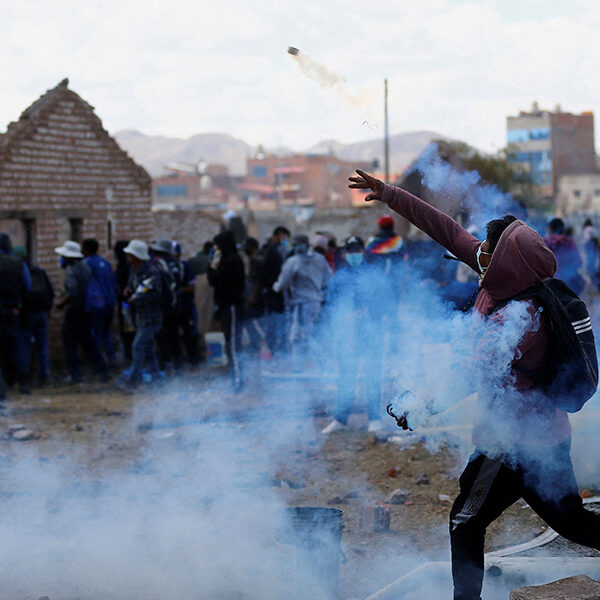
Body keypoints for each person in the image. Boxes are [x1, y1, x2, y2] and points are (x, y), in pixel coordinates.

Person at [349, 169, 600, 600]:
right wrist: (390, 194)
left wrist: (418, 403)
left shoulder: (519, 319)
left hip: (510, 448)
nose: (477, 250)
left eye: (487, 247)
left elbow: (470, 373)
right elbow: (446, 230)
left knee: (465, 522)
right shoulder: (506, 278)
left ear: (505, 261)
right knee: (573, 522)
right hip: (547, 440)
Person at [321, 236, 390, 434]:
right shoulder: (339, 277)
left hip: (371, 333)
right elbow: (331, 305)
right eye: (350, 251)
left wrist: (370, 313)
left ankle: (375, 418)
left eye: (356, 251)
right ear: (345, 254)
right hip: (348, 334)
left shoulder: (375, 275)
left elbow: (386, 300)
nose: (353, 255)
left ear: (363, 252)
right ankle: (340, 419)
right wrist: (341, 320)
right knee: (346, 376)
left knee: (373, 375)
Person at [273, 233, 332, 370]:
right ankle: (316, 365)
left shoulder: (293, 261)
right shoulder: (320, 259)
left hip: (301, 304)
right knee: (311, 334)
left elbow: (281, 284)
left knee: (298, 336)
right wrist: (321, 294)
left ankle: (306, 365)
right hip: (316, 302)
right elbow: (328, 279)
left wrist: (275, 286)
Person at [54, 240, 108, 383]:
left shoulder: (72, 270)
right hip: (87, 309)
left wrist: (61, 304)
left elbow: (72, 293)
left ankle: (75, 375)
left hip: (75, 311)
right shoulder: (85, 267)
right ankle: (102, 370)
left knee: (70, 343)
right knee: (88, 342)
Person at [207, 230, 245, 391]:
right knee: (230, 343)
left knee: (233, 345)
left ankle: (237, 380)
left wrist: (213, 266)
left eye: (217, 246)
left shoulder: (232, 261)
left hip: (232, 307)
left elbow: (215, 280)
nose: (215, 249)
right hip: (225, 306)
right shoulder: (227, 260)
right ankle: (234, 376)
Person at [122, 240, 163, 386]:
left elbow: (157, 294)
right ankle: (155, 375)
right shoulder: (134, 269)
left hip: (151, 317)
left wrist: (138, 299)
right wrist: (128, 290)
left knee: (138, 346)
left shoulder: (152, 272)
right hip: (140, 316)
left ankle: (135, 377)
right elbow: (132, 285)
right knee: (148, 347)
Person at [13, 245, 54, 387]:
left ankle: (24, 379)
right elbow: (50, 291)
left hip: (27, 314)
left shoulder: (18, 271)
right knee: (43, 346)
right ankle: (45, 377)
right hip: (42, 313)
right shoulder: (39, 271)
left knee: (24, 346)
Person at [0, 234, 32, 399]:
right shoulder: (18, 263)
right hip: (13, 310)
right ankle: (24, 384)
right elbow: (28, 287)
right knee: (16, 347)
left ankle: (2, 390)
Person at [254, 226, 290, 356]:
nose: (285, 240)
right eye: (284, 237)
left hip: (270, 293)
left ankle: (275, 350)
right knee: (276, 324)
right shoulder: (275, 251)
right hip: (274, 293)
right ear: (279, 235)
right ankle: (277, 351)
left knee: (272, 324)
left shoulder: (267, 250)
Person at [82, 238, 118, 367]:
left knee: (95, 333)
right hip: (110, 301)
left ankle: (99, 363)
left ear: (85, 250)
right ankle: (111, 357)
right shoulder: (106, 263)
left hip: (97, 304)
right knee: (106, 332)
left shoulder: (86, 264)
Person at [150, 239, 183, 372]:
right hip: (176, 304)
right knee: (174, 336)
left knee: (162, 337)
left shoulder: (157, 263)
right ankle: (178, 365)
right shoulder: (177, 264)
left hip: (162, 306)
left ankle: (164, 366)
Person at [172, 241, 199, 366]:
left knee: (189, 333)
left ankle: (194, 360)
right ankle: (178, 361)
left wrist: (176, 291)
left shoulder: (185, 266)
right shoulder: (165, 266)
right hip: (174, 307)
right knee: (174, 335)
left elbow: (192, 286)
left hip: (186, 305)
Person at [544, 217, 585, 295]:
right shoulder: (568, 241)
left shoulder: (545, 242)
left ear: (550, 228)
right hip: (569, 284)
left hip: (549, 284)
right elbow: (579, 262)